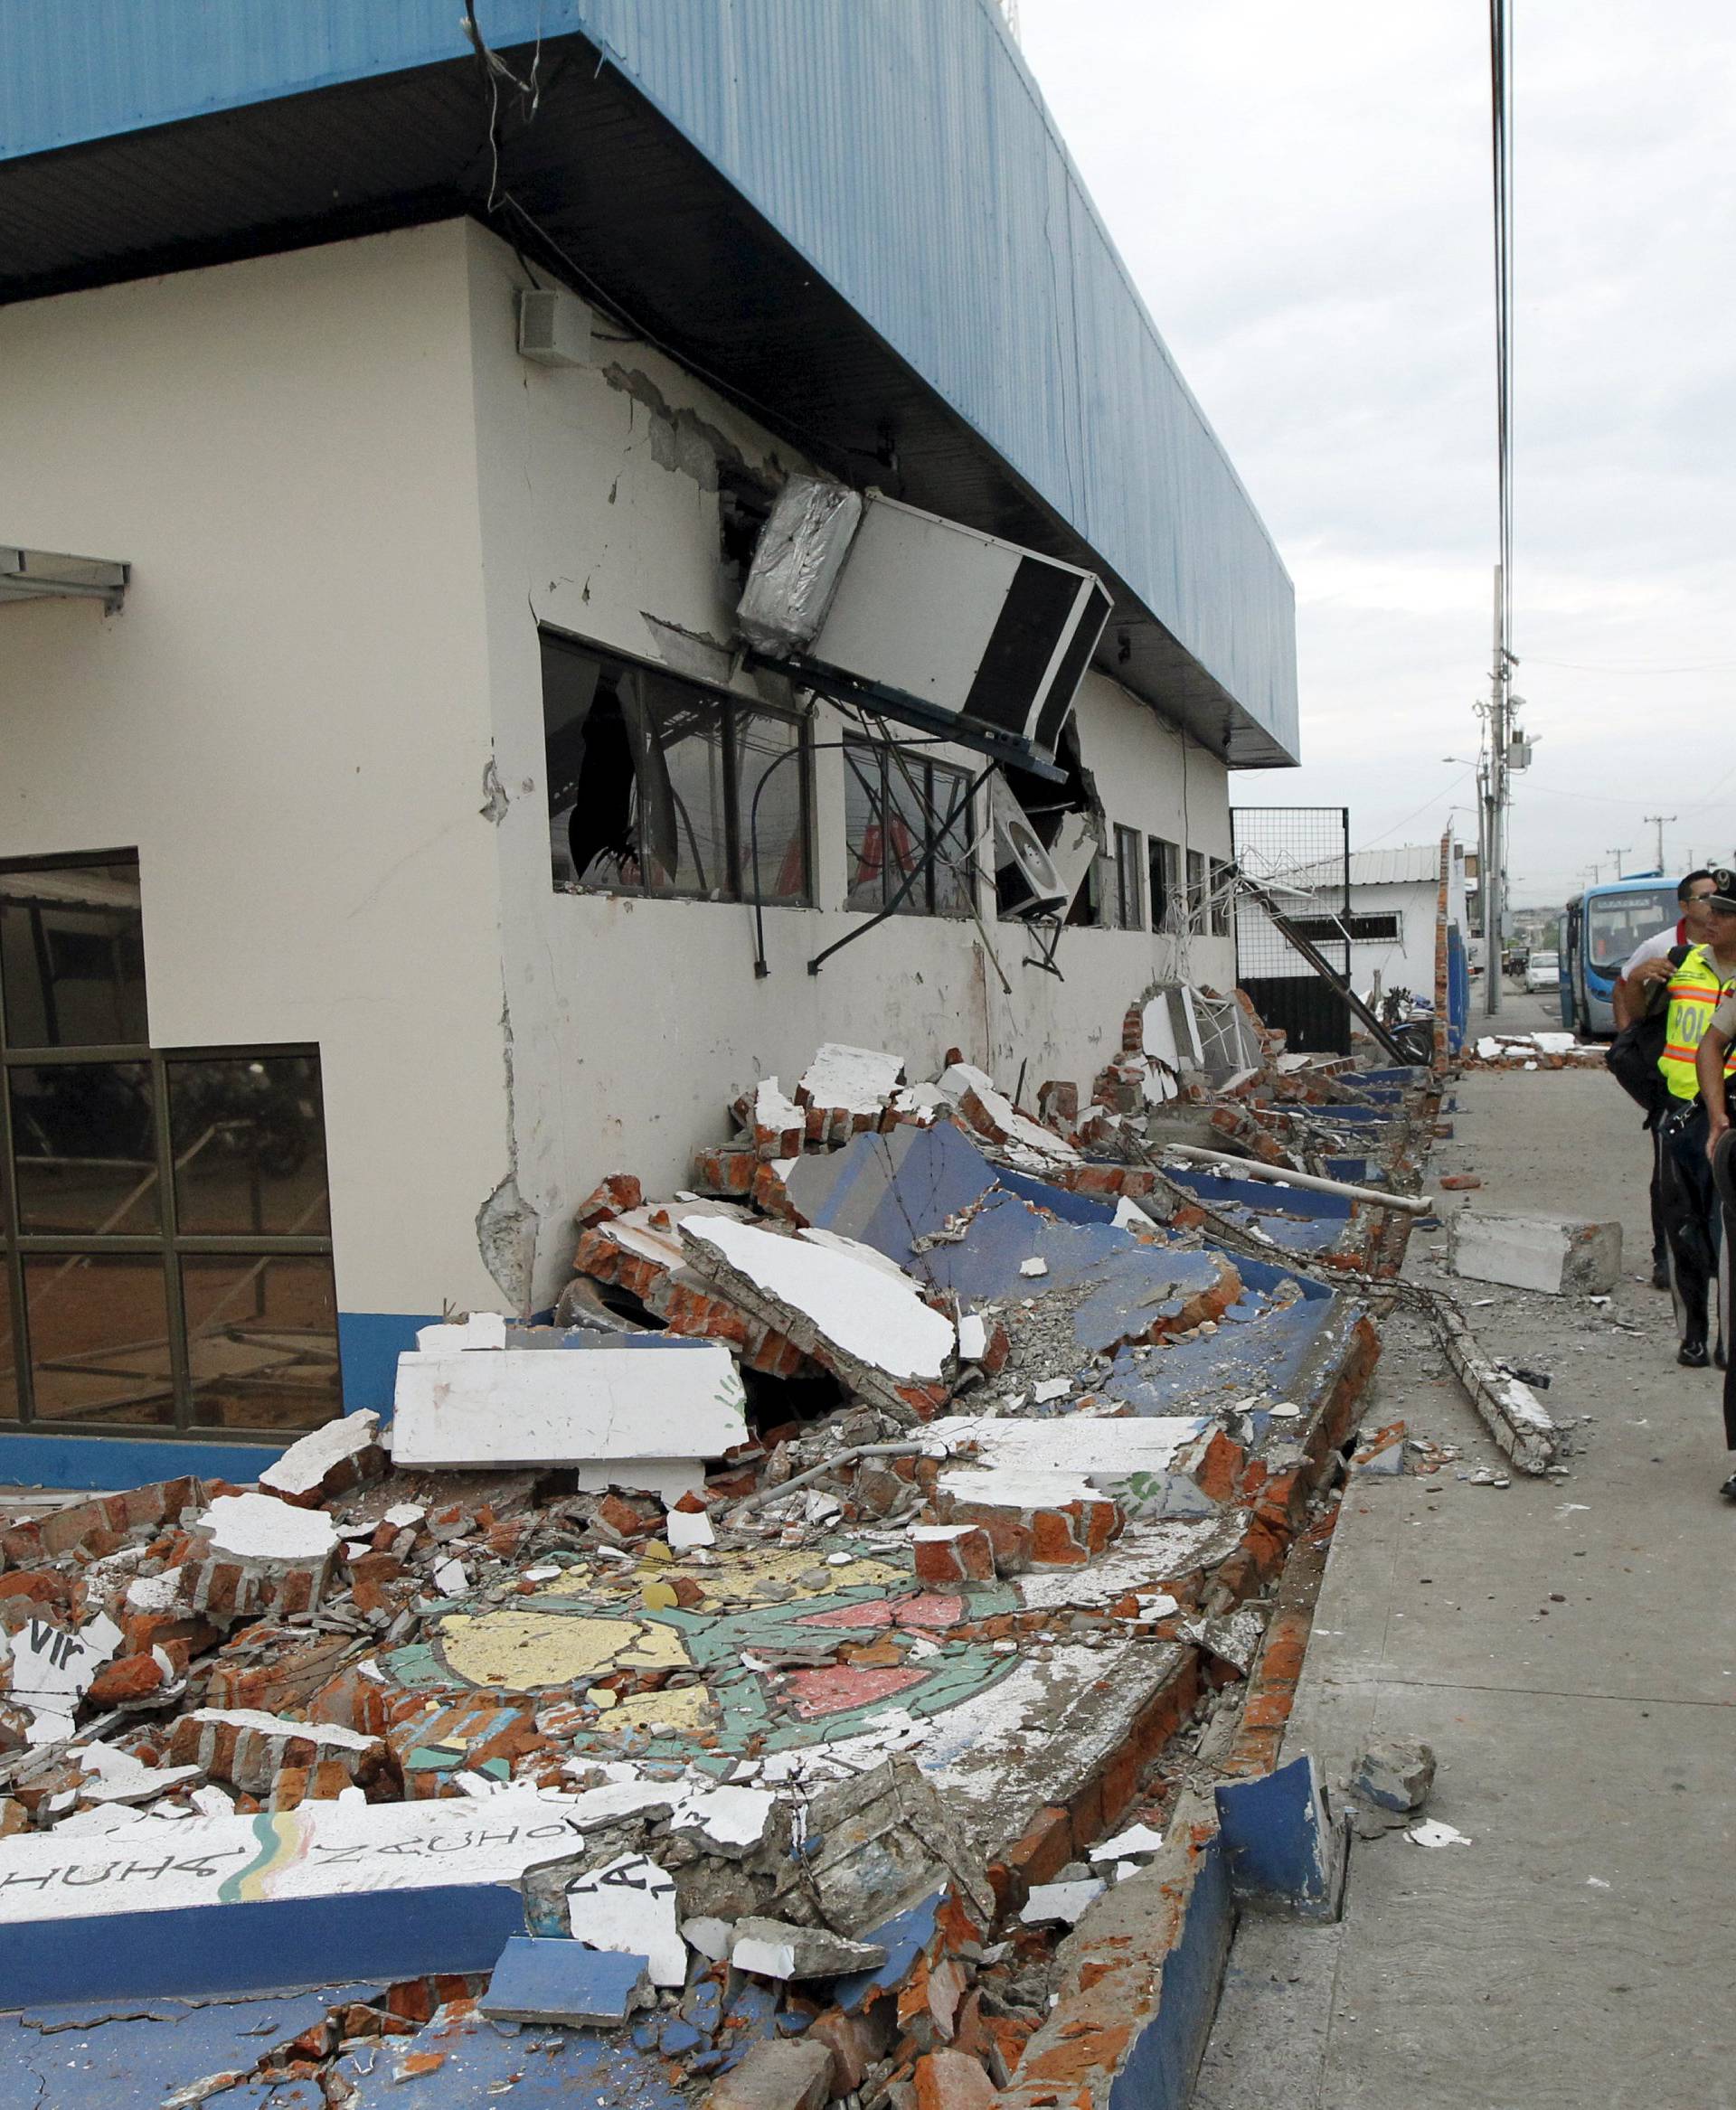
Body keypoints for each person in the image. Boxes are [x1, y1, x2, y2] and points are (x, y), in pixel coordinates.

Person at [1612, 871, 1718, 1287]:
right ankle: (1668, 1257)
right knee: (1672, 1180)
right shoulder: (1664, 949)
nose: (1714, 906)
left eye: (1720, 899)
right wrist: (1631, 1042)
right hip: (1675, 1088)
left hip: (1723, 1085)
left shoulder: (1724, 949)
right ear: (1686, 907)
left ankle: (1713, 1256)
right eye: (1706, 898)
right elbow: (1627, 990)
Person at [1656, 870, 1736, 1368]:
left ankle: (1730, 1341)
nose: (1711, 918)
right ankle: (1694, 1336)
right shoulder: (1683, 963)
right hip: (1685, 1117)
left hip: (1727, 1126)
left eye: (1723, 913)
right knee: (1683, 1230)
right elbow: (1634, 1020)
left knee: (1727, 1238)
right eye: (1710, 907)